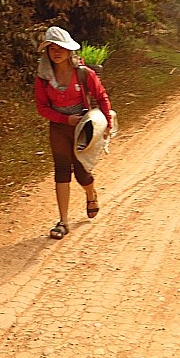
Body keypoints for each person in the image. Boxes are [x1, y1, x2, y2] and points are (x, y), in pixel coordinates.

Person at [34, 26, 113, 239]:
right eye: (51, 48)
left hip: (83, 128)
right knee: (61, 170)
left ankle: (90, 193)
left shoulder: (83, 73)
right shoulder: (43, 78)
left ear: (69, 50)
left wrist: (107, 124)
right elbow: (42, 107)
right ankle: (63, 221)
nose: (56, 51)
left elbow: (101, 96)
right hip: (59, 127)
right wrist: (64, 119)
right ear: (47, 52)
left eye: (60, 47)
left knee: (80, 172)